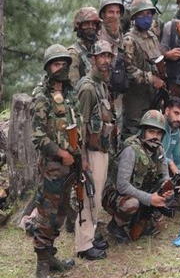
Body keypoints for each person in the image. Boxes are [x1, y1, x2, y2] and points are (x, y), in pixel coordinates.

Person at [31, 44, 81, 277]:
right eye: (56, 63)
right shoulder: (42, 97)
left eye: (64, 63)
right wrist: (62, 154)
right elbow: (38, 137)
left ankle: (50, 255)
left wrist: (78, 155)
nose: (61, 67)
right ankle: (42, 262)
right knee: (46, 214)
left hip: (70, 166)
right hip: (53, 167)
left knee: (61, 211)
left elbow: (76, 126)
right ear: (48, 68)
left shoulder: (70, 94)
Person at [103, 110, 173, 243]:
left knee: (165, 192)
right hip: (115, 194)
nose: (155, 137)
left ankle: (143, 220)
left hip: (141, 189)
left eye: (158, 133)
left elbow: (165, 176)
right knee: (132, 204)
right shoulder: (131, 150)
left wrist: (167, 190)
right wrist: (149, 199)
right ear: (143, 132)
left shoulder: (159, 150)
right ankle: (116, 225)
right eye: (151, 132)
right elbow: (122, 185)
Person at [74, 40, 116, 260]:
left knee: (96, 197)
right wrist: (82, 158)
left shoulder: (102, 83)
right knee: (89, 198)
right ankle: (83, 245)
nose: (106, 60)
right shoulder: (89, 87)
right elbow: (81, 125)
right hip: (90, 151)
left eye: (109, 56)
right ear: (93, 59)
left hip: (102, 148)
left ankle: (90, 235)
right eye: (102, 56)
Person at [121, 0, 165, 136]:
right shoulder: (129, 40)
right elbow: (128, 70)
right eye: (141, 14)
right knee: (135, 135)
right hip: (136, 99)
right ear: (134, 17)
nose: (146, 17)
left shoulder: (152, 36)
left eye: (148, 14)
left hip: (153, 96)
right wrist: (151, 79)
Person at [162, 96, 180, 198]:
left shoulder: (176, 132)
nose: (179, 119)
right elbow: (151, 155)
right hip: (150, 170)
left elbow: (178, 160)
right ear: (167, 111)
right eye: (176, 113)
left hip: (165, 169)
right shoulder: (157, 125)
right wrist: (169, 162)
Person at [68, 7, 102, 86]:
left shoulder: (98, 49)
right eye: (86, 24)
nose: (91, 27)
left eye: (93, 24)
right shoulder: (74, 53)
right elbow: (74, 86)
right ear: (79, 27)